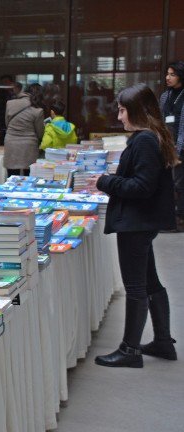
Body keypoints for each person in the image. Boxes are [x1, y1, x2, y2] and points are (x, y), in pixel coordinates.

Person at [93, 83, 178, 368]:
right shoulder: (152, 137)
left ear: (137, 111)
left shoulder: (144, 141)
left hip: (135, 223)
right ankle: (164, 342)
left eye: (122, 110)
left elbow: (141, 187)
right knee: (150, 281)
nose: (119, 117)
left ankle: (130, 350)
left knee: (136, 287)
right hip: (142, 222)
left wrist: (104, 181)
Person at [160, 60, 184, 231]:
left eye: (172, 74)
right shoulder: (165, 96)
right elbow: (162, 120)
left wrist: (178, 146)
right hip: (168, 146)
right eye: (167, 74)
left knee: (179, 183)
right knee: (168, 182)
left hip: (181, 147)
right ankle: (171, 217)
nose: (167, 77)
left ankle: (178, 219)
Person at [4, 84, 45, 177]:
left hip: (11, 142)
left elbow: (7, 123)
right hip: (29, 145)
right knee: (29, 176)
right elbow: (40, 133)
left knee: (12, 176)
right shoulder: (38, 110)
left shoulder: (10, 104)